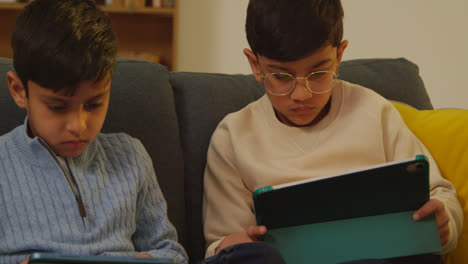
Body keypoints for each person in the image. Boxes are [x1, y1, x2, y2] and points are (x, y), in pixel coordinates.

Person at [202, 0, 464, 263]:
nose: (302, 95)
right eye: (282, 77)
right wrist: (231, 244)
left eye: (318, 73)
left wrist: (444, 221)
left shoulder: (375, 112)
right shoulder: (233, 137)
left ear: (339, 56)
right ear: (255, 64)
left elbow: (439, 195)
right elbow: (222, 246)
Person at [0, 0, 187, 263]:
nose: (78, 126)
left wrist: (147, 260)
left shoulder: (131, 156)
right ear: (19, 91)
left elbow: (172, 252)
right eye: (57, 107)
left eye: (94, 104)